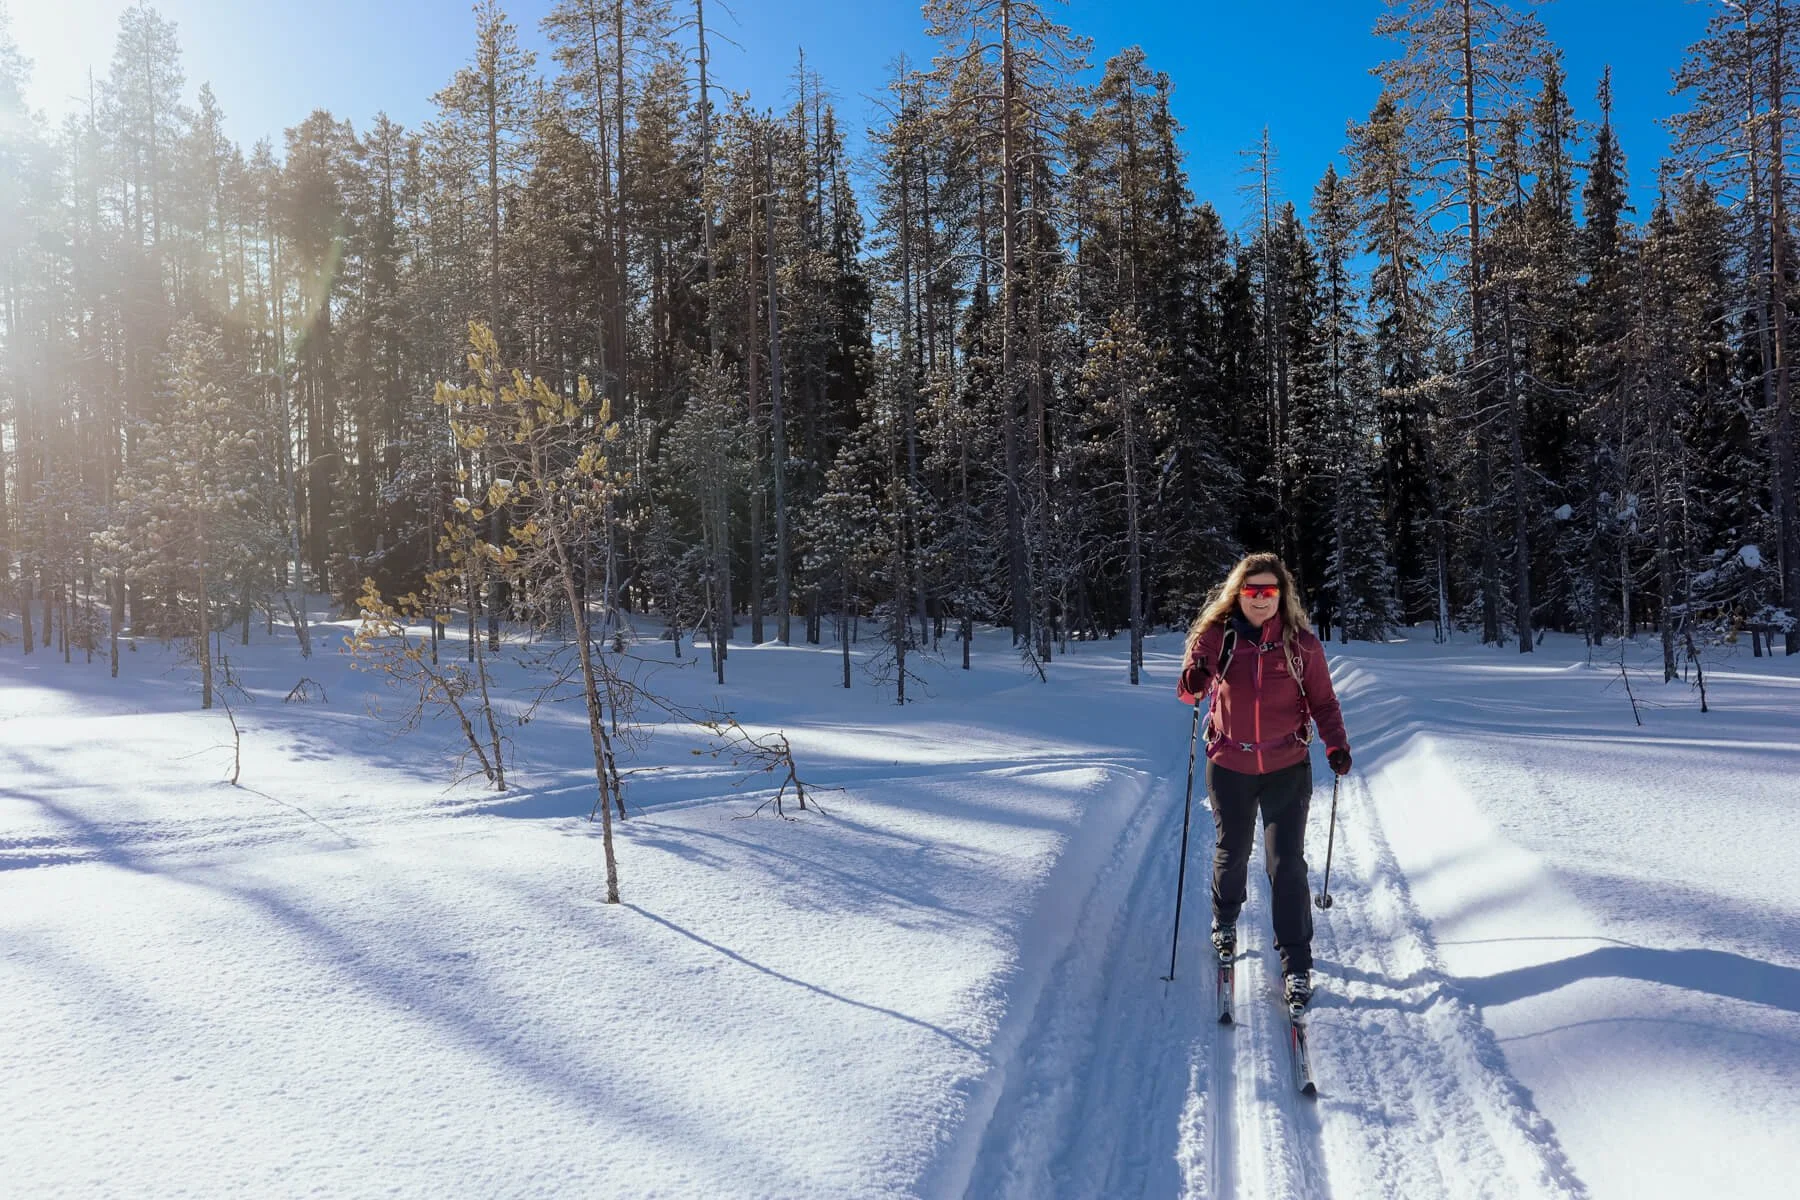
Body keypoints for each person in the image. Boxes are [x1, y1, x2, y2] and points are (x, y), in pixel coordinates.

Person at [1176, 552, 1352, 1009]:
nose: (1260, 598)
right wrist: (1195, 677)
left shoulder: (1301, 645)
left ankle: (1297, 964)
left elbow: (1324, 703)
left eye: (1269, 590)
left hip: (1286, 767)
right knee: (1233, 850)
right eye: (1252, 590)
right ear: (1238, 593)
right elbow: (1188, 692)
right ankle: (1224, 920)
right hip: (1229, 765)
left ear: (1281, 594)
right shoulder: (1218, 636)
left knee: (1286, 863)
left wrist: (1335, 744)